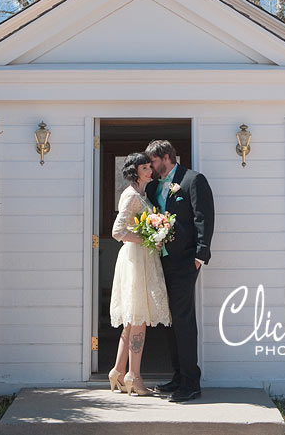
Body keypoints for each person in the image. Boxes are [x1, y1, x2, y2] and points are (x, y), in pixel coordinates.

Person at [145, 139, 214, 402]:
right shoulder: (153, 187)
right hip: (160, 260)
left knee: (183, 319)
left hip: (186, 262)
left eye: (152, 161)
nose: (150, 167)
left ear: (165, 157)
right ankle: (177, 376)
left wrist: (200, 254)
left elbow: (202, 217)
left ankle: (191, 382)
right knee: (169, 319)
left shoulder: (193, 180)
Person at [109, 152, 171, 396]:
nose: (149, 170)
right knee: (139, 319)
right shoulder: (131, 196)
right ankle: (133, 376)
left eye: (149, 166)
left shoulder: (142, 194)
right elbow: (117, 231)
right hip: (135, 259)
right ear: (134, 171)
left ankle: (117, 370)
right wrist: (147, 239)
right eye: (144, 167)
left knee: (132, 319)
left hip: (142, 258)